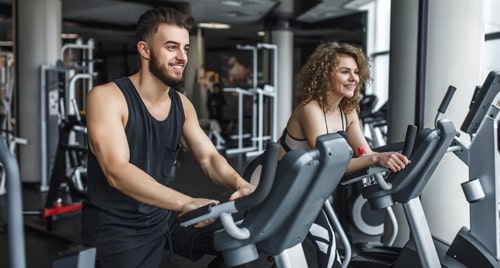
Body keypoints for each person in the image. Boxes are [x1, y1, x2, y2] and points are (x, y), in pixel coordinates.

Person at [81, 7, 255, 268]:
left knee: (244, 243)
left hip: (162, 218)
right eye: (172, 47)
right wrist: (186, 202)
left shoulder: (182, 105)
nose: (182, 57)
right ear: (145, 50)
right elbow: (117, 170)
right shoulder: (107, 98)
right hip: (117, 230)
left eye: (185, 48)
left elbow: (208, 157)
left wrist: (240, 183)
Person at [278, 41, 411, 267]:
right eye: (345, 71)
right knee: (327, 246)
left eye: (356, 72)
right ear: (325, 75)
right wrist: (375, 158)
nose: (354, 78)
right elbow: (330, 164)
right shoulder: (310, 109)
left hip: (309, 189)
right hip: (284, 188)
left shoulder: (347, 111)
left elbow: (364, 153)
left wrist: (384, 160)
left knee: (324, 246)